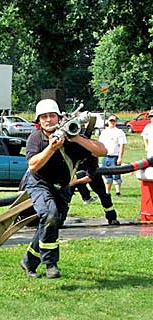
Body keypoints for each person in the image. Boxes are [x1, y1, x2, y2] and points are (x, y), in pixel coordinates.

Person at [20, 99, 106, 279]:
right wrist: (51, 148)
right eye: (44, 117)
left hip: (63, 187)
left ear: (59, 118)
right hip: (40, 183)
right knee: (49, 215)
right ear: (39, 121)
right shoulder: (35, 138)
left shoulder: (72, 137)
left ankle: (29, 260)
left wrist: (76, 138)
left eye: (52, 116)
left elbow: (101, 151)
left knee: (52, 223)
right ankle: (51, 264)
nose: (49, 120)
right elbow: (33, 165)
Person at [69, 155, 120, 225]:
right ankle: (60, 216)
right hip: (74, 173)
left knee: (103, 195)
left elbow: (90, 177)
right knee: (66, 196)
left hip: (91, 173)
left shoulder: (91, 157)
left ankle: (112, 218)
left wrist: (73, 182)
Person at [98, 115, 127, 197]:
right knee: (106, 175)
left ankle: (118, 192)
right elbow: (100, 144)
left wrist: (120, 157)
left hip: (114, 156)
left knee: (116, 174)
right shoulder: (104, 132)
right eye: (110, 121)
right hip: (105, 156)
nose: (112, 122)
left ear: (116, 122)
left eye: (113, 121)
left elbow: (122, 145)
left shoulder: (119, 132)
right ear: (108, 121)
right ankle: (107, 192)